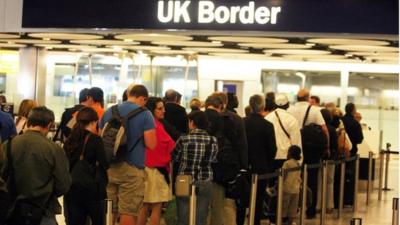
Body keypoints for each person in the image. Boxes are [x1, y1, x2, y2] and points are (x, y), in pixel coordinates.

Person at [0, 106, 71, 225]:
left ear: (28, 122)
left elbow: (2, 175)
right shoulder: (54, 149)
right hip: (44, 211)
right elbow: (63, 185)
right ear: (49, 125)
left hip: (13, 210)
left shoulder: (9, 144)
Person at [100, 84, 157, 225]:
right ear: (143, 98)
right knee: (128, 210)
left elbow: (100, 136)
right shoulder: (145, 114)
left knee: (109, 208)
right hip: (132, 168)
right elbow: (151, 144)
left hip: (108, 167)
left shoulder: (109, 111)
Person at [287, 89, 329, 218]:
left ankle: (293, 209)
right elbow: (324, 129)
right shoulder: (315, 110)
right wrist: (327, 147)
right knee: (312, 178)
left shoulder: (290, 110)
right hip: (311, 148)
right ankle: (310, 210)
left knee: (293, 178)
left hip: (294, 146)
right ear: (307, 97)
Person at [63, 107, 109, 225]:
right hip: (92, 190)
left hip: (72, 189)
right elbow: (105, 163)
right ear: (94, 122)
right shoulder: (96, 139)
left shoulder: (70, 139)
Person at [172, 110, 218, 225]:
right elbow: (213, 158)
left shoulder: (183, 139)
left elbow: (175, 157)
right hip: (205, 179)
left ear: (192, 122)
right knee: (201, 217)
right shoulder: (213, 140)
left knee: (183, 215)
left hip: (184, 180)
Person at [211, 92, 248, 225]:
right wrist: (243, 166)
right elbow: (242, 145)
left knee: (215, 203)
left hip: (214, 167)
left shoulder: (208, 118)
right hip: (231, 167)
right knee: (229, 204)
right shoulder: (237, 119)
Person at [138, 97, 175, 225]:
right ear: (152, 110)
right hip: (156, 171)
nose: (163, 111)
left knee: (143, 206)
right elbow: (170, 147)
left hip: (142, 169)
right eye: (160, 109)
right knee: (156, 207)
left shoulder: (142, 124)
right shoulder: (156, 127)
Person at [244, 94, 277, 225]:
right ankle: (255, 221)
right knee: (258, 198)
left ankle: (241, 221)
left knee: (242, 198)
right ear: (263, 106)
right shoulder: (268, 125)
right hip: (262, 167)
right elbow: (272, 149)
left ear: (250, 106)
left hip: (245, 166)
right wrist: (267, 164)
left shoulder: (242, 122)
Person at [265, 93, 302, 170]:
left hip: (271, 157)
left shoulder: (267, 118)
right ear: (288, 105)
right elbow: (296, 142)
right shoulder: (292, 120)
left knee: (271, 181)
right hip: (287, 158)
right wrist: (299, 161)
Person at [341, 103, 363, 206]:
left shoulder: (340, 120)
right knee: (350, 177)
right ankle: (348, 200)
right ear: (353, 111)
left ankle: (338, 199)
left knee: (339, 176)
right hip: (352, 152)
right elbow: (359, 139)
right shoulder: (355, 123)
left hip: (339, 153)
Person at [282, 145, 302, 225]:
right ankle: (290, 222)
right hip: (296, 189)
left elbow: (283, 175)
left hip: (286, 188)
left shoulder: (287, 163)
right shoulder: (298, 164)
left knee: (284, 206)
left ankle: (281, 221)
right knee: (293, 208)